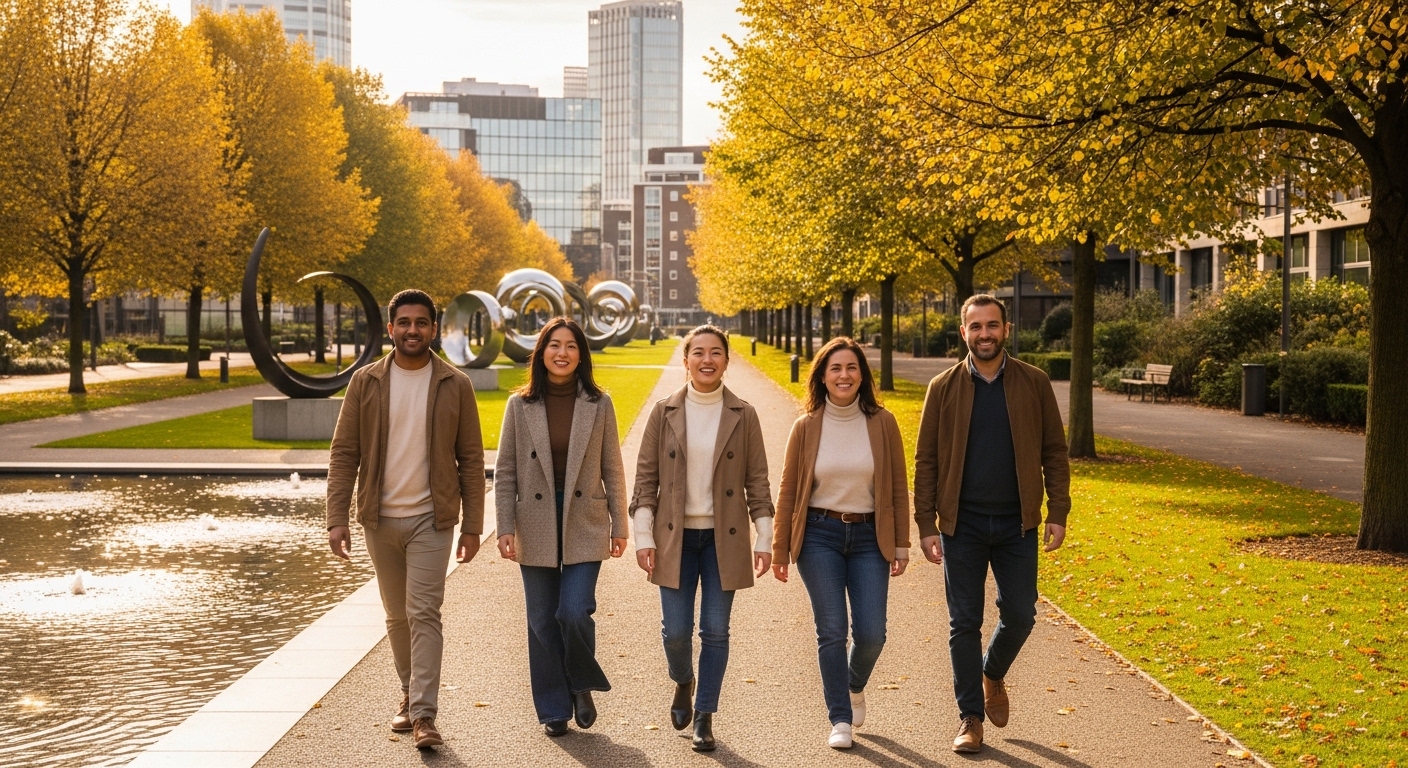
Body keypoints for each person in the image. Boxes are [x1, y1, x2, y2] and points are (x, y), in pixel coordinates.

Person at [326, 289, 485, 750]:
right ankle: (407, 693)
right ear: (390, 327)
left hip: (431, 520)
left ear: (433, 330)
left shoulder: (455, 384)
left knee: (424, 612)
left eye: (421, 322)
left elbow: (471, 460)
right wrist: (336, 517)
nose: (412, 330)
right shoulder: (366, 382)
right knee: (397, 616)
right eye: (404, 322)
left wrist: (472, 525)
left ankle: (423, 715)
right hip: (378, 518)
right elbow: (344, 454)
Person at [913, 294, 1071, 754]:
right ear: (963, 332)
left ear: (1007, 329)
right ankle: (970, 717)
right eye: (975, 326)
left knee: (1021, 613)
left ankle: (992, 672)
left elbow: (1054, 453)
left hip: (1016, 523)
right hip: (960, 524)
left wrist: (1057, 511)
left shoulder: (1034, 382)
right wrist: (926, 522)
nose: (985, 334)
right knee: (964, 621)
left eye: (992, 325)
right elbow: (926, 460)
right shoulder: (942, 388)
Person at [630, 325, 773, 752]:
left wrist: (763, 538)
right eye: (698, 352)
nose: (707, 360)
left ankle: (705, 715)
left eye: (715, 353)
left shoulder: (744, 415)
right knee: (675, 631)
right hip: (674, 538)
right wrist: (643, 536)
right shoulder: (664, 411)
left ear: (727, 361)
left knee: (715, 630)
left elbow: (758, 483)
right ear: (685, 358)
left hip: (722, 540)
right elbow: (644, 480)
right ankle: (683, 680)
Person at [772, 336, 911, 750]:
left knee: (872, 634)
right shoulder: (806, 426)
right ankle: (840, 718)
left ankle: (853, 684)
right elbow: (788, 489)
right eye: (835, 368)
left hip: (871, 537)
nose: (844, 375)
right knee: (831, 630)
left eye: (851, 368)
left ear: (862, 375)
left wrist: (901, 544)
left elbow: (899, 486)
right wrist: (780, 549)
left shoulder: (883, 422)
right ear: (823, 376)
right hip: (819, 535)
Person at [494, 317, 628, 737]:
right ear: (542, 351)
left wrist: (619, 525)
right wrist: (503, 526)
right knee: (540, 621)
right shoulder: (519, 405)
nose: (562, 353)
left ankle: (581, 681)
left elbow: (613, 468)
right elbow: (505, 472)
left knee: (573, 610)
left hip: (585, 521)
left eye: (571, 346)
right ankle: (554, 708)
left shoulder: (599, 403)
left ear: (580, 354)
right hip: (534, 522)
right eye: (554, 344)